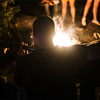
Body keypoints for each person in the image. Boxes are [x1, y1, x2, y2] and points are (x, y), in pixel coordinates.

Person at [14, 16, 100, 99]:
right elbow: (95, 51)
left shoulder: (23, 61)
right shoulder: (69, 54)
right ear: (54, 34)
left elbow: (20, 88)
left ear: (34, 34)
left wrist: (25, 59)